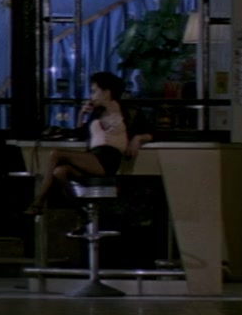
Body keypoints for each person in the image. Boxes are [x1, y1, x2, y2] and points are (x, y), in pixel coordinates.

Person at [24, 72, 152, 216]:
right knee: (59, 172)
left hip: (108, 158)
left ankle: (38, 202)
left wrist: (137, 138)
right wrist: (81, 115)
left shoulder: (129, 112)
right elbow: (81, 134)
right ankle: (82, 213)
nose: (91, 96)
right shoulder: (96, 113)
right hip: (93, 157)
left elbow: (152, 132)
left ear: (106, 92)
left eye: (94, 91)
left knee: (56, 154)